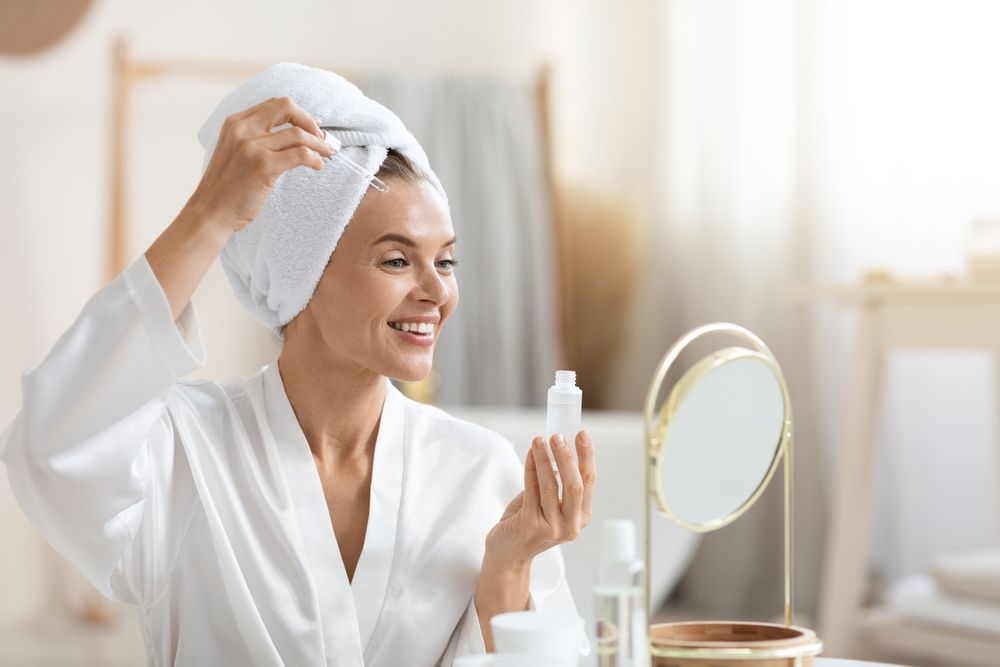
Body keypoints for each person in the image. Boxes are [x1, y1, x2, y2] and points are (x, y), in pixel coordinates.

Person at [0, 64, 596, 666]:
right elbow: (51, 446)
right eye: (395, 261)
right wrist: (209, 214)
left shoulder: (479, 471)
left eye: (444, 262)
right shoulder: (184, 453)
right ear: (301, 274)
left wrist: (510, 565)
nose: (436, 293)